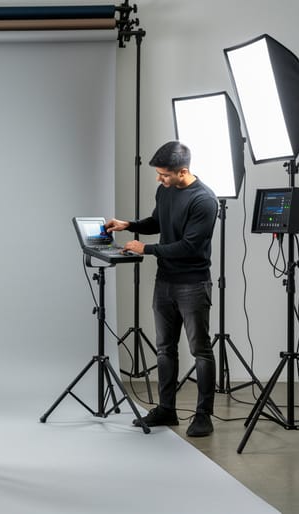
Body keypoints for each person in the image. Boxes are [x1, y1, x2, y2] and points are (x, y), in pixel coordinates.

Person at [105, 141, 218, 437]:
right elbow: (158, 221)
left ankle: (204, 415)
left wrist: (147, 249)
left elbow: (190, 246)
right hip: (165, 283)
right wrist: (128, 224)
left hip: (193, 284)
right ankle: (167, 409)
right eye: (158, 175)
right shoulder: (165, 190)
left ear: (183, 171)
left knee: (200, 351)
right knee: (165, 349)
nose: (159, 179)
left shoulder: (205, 200)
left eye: (164, 175)